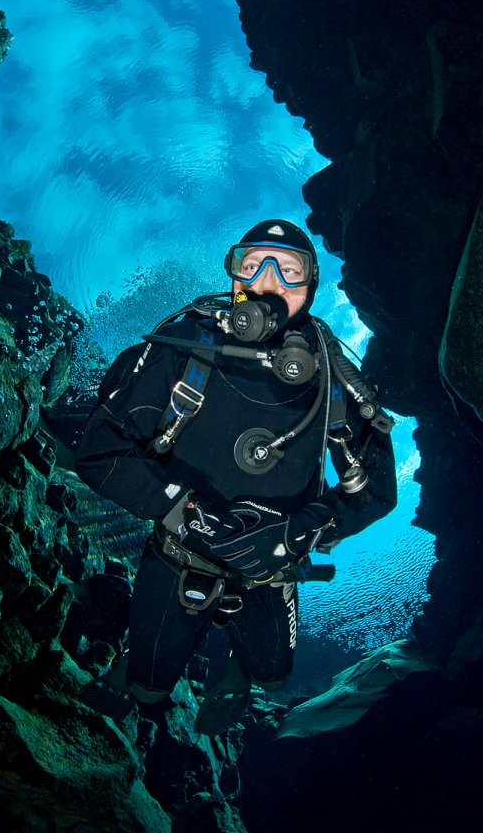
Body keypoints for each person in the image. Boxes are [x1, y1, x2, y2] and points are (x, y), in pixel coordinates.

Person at [75, 219, 397, 732]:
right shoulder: (186, 346)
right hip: (180, 555)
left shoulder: (334, 378)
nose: (267, 281)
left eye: (288, 270)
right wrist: (181, 512)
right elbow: (99, 449)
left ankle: (239, 673)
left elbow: (378, 489)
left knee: (273, 676)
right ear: (233, 276)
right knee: (147, 687)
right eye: (252, 265)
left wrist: (301, 531)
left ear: (311, 286)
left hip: (274, 571)